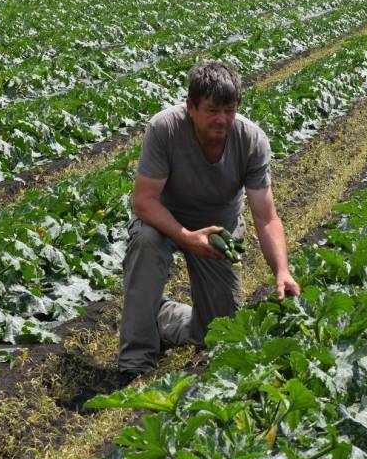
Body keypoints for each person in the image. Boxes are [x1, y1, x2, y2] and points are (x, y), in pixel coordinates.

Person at [117, 61, 301, 377]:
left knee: (218, 333)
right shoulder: (165, 129)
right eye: (213, 110)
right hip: (164, 221)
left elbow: (266, 216)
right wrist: (186, 236)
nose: (222, 120)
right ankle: (135, 361)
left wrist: (282, 271)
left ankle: (160, 315)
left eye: (229, 111)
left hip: (218, 232)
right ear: (190, 106)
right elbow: (144, 202)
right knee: (146, 241)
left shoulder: (251, 140)